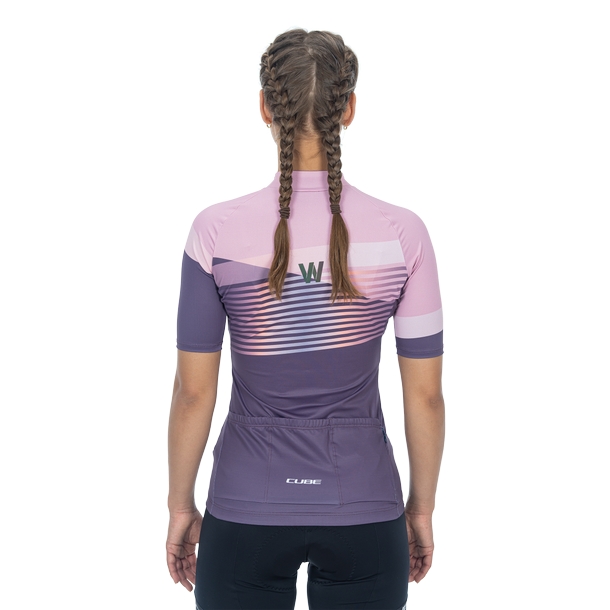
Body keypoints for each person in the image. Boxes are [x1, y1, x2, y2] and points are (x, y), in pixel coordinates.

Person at [166, 28, 445, 610]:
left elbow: (194, 394)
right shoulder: (404, 235)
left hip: (244, 510)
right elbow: (425, 397)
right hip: (366, 511)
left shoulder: (214, 233)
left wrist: (180, 505)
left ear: (265, 107)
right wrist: (420, 509)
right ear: (349, 109)